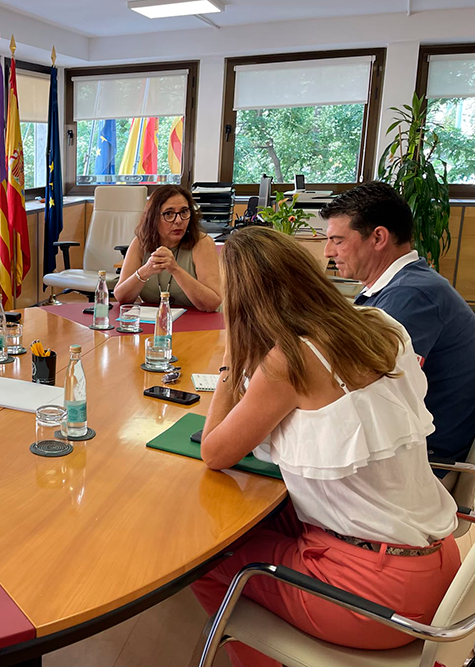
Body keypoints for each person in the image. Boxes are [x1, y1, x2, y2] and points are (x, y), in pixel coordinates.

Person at [192, 227, 460, 667]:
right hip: (441, 566)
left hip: (375, 596)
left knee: (207, 560)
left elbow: (214, 452)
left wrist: (231, 358)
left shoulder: (290, 360)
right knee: (266, 520)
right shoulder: (380, 325)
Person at [322, 181, 475, 467]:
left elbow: (362, 390)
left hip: (421, 463)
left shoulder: (413, 296)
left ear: (378, 237)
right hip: (402, 444)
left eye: (338, 240)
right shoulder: (400, 285)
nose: (328, 252)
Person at [113, 184, 221, 312]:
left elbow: (212, 304)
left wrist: (175, 269)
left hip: (199, 323)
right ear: (153, 217)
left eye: (184, 212)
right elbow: (122, 297)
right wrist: (145, 271)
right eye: (169, 213)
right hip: (154, 324)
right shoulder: (140, 243)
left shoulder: (202, 243)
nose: (178, 220)